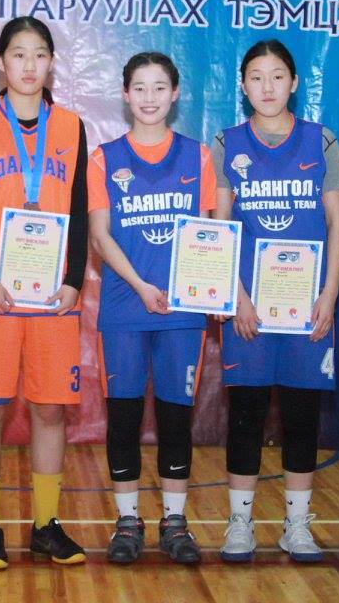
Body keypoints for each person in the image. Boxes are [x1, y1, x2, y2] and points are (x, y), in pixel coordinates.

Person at [0, 17, 89, 569]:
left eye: (39, 54)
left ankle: (45, 525)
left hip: (52, 295)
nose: (29, 65)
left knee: (50, 410)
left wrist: (74, 279)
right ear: (1, 62)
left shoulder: (72, 126)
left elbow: (80, 208)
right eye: (18, 54)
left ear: (51, 63)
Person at [212, 40, 339, 564]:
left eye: (276, 76)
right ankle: (240, 524)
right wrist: (236, 296)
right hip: (248, 307)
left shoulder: (322, 140)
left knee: (301, 415)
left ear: (294, 82)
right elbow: (221, 226)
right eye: (255, 77)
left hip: (307, 306)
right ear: (243, 86)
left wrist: (329, 295)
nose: (266, 87)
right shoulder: (227, 143)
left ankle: (297, 524)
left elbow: (337, 221)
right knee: (245, 414)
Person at [88, 52, 216, 565]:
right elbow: (100, 236)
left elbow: (208, 234)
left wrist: (208, 290)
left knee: (175, 418)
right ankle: (126, 522)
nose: (149, 97)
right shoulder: (104, 158)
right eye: (139, 87)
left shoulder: (197, 157)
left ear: (175, 93)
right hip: (125, 307)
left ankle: (174, 522)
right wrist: (141, 285)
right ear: (125, 94)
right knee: (122, 418)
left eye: (159, 87)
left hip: (182, 313)